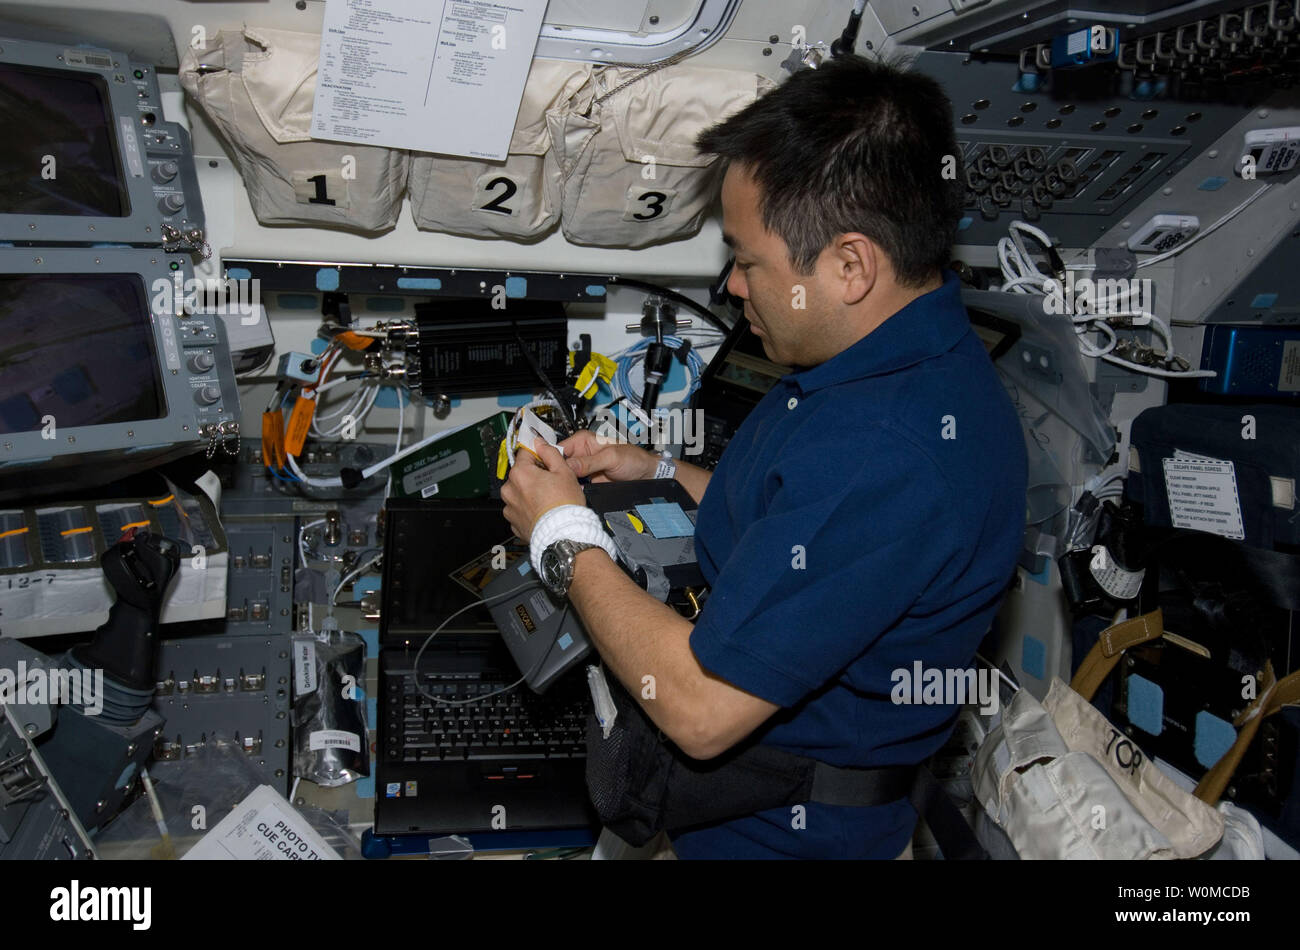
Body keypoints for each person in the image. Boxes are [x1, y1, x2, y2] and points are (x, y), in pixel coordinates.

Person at [500, 55, 1028, 859]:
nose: (733, 288)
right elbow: (804, 527)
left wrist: (563, 539)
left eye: (748, 261)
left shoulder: (891, 448)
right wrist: (659, 472)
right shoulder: (885, 362)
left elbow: (702, 709)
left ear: (850, 266)